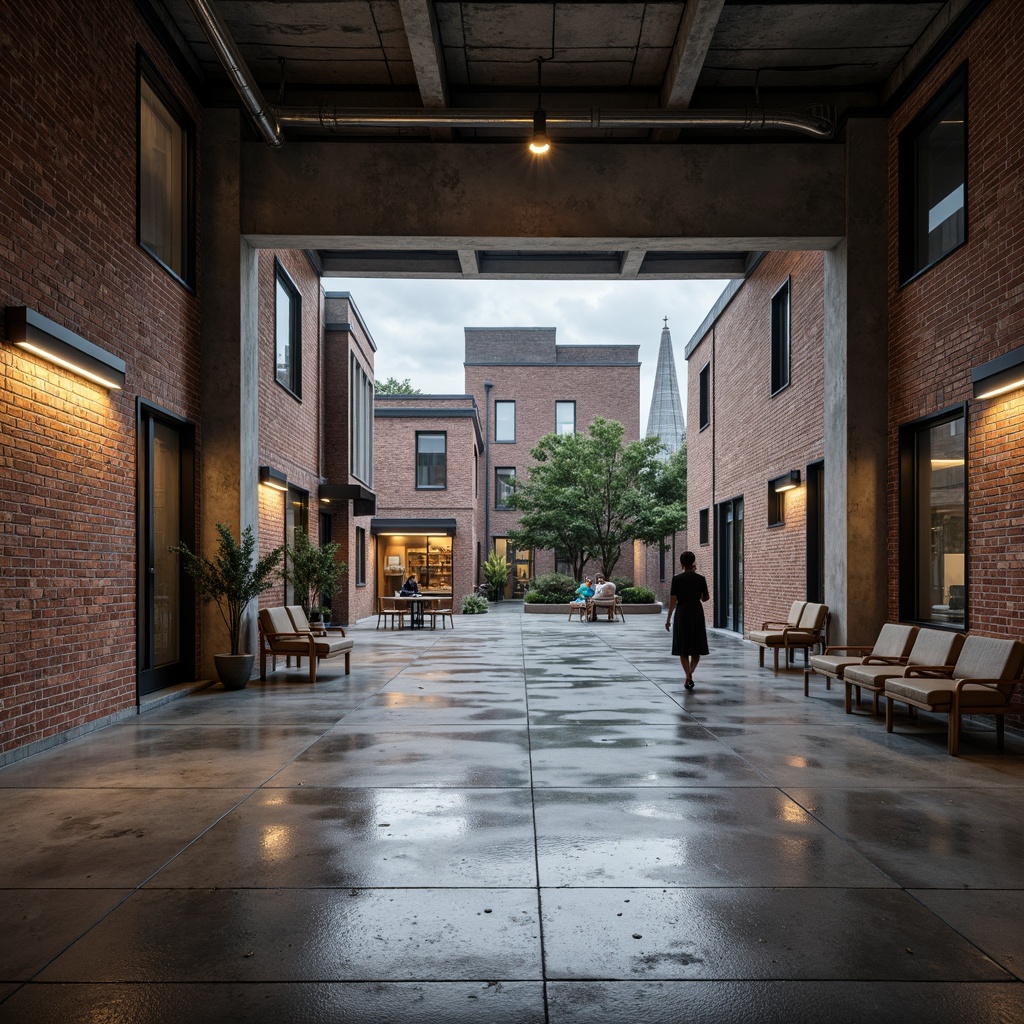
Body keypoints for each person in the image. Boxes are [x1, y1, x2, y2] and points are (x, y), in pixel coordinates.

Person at [665, 551, 710, 688]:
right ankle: (690, 673)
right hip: (696, 611)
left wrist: (668, 619)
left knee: (683, 648)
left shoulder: (676, 579)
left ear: (681, 563)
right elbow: (705, 598)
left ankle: (688, 675)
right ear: (693, 562)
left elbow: (673, 599)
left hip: (682, 612)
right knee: (696, 647)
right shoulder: (700, 579)